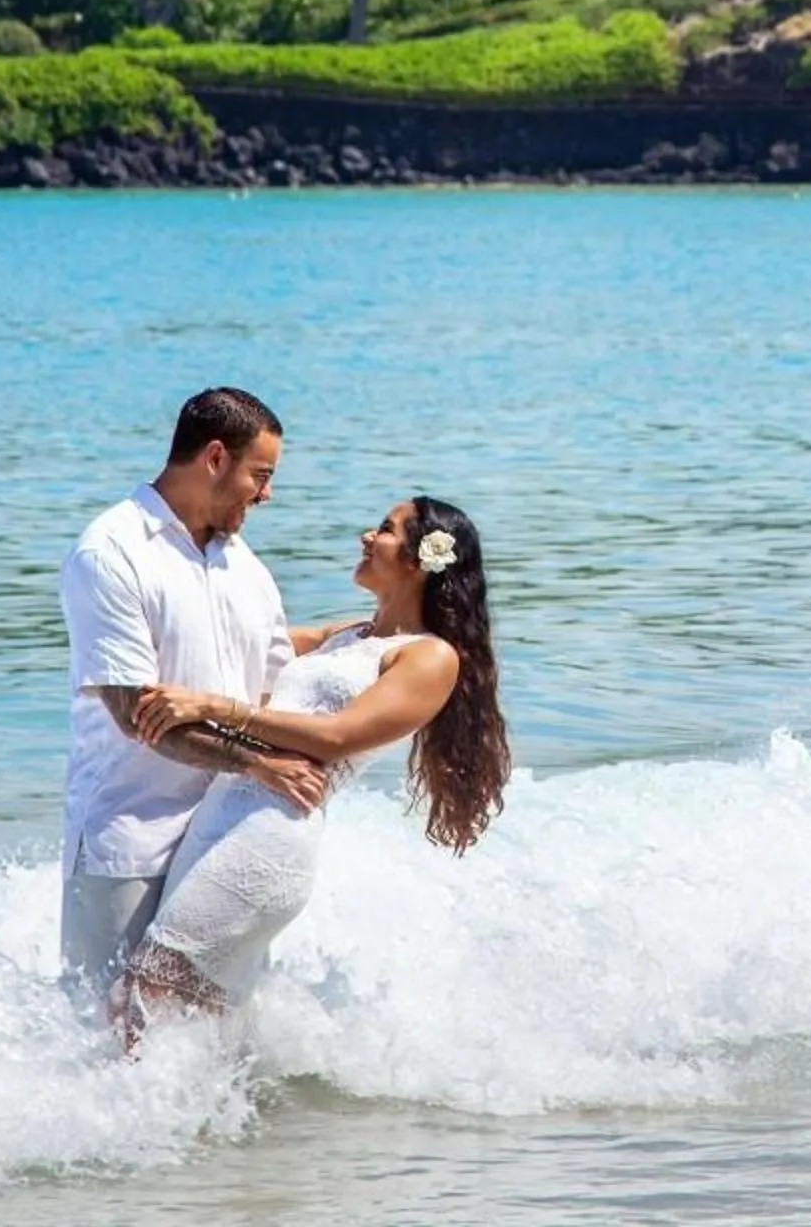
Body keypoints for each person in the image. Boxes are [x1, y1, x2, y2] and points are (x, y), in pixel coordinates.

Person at [116, 495, 511, 1023]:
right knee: (192, 1018)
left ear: (420, 561)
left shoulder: (430, 656)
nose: (367, 537)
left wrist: (214, 708)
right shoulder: (348, 635)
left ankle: (137, 1106)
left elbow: (334, 736)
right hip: (222, 819)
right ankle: (224, 1106)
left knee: (142, 998)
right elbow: (236, 645)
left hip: (268, 837)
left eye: (386, 529)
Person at [57, 387, 332, 1013]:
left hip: (227, 837)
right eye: (260, 475)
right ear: (214, 458)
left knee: (209, 1037)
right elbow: (137, 718)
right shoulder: (111, 554)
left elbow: (269, 691)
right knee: (110, 1031)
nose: (267, 494)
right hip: (131, 839)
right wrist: (260, 764)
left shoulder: (249, 571)